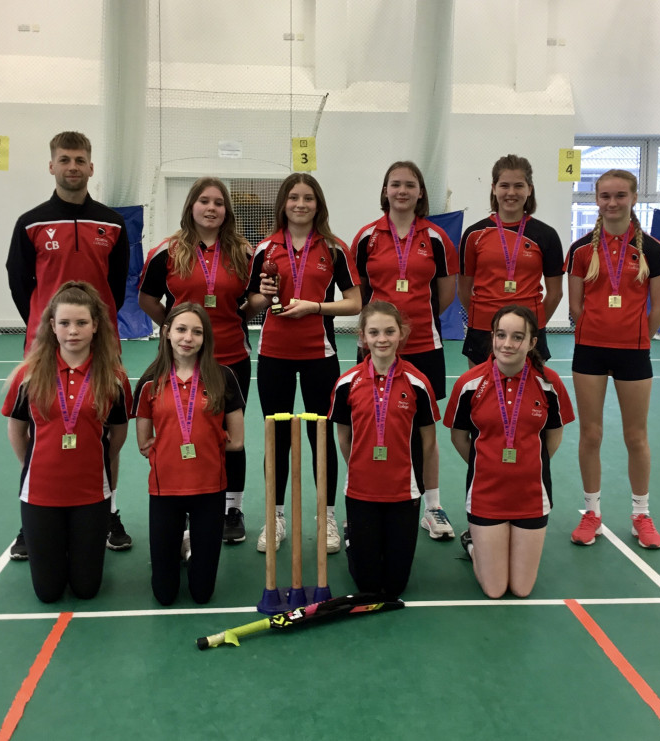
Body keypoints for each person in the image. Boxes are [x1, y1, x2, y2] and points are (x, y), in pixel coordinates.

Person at [5, 131, 133, 559]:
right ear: (52, 166)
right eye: (64, 159)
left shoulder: (113, 223)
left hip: (100, 347)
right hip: (47, 349)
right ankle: (31, 518)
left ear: (91, 167)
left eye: (80, 159)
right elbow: (20, 282)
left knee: (104, 433)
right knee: (40, 430)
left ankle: (108, 510)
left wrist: (95, 328)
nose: (72, 166)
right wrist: (49, 332)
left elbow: (116, 286)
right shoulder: (30, 222)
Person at [246, 173, 362, 554]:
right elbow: (248, 307)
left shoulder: (334, 248)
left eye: (308, 198)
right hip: (273, 355)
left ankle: (326, 515)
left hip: (319, 356)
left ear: (318, 204)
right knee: (276, 437)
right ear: (283, 203)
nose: (300, 204)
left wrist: (316, 307)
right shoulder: (265, 248)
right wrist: (263, 297)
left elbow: (354, 302)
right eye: (293, 197)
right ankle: (274, 515)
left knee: (320, 437)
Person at [137, 177, 254, 545]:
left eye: (219, 202)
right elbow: (147, 299)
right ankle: (184, 503)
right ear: (191, 207)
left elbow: (250, 303)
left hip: (231, 359)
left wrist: (247, 313)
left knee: (227, 436)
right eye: (204, 201)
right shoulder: (167, 251)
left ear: (226, 211)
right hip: (180, 362)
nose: (211, 208)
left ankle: (231, 507)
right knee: (181, 431)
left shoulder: (243, 252)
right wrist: (176, 332)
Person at [2, 282, 130, 603]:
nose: (73, 331)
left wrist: (104, 471)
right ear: (52, 327)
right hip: (41, 493)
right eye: (65, 323)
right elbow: (16, 431)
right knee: (48, 592)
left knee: (87, 589)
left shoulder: (113, 376)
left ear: (96, 326)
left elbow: (118, 433)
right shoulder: (27, 375)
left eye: (81, 323)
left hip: (91, 493)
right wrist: (31, 466)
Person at [350, 161, 457, 541]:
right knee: (375, 427)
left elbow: (446, 292)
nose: (402, 191)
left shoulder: (437, 238)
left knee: (422, 432)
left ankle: (431, 506)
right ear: (385, 190)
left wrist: (413, 324)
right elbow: (360, 292)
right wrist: (380, 331)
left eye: (409, 185)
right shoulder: (366, 238)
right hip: (378, 348)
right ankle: (366, 500)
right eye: (395, 184)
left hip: (425, 345)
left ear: (420, 192)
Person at [564, 169, 660, 549]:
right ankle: (591, 511)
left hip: (634, 354)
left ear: (634, 198)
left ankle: (641, 513)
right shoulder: (580, 250)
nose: (612, 202)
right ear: (596, 200)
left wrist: (639, 338)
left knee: (635, 436)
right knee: (591, 433)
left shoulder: (652, 250)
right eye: (605, 195)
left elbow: (658, 308)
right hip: (589, 352)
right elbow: (575, 307)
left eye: (620, 195)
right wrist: (598, 331)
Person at [443, 305, 574, 598]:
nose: (507, 344)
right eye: (501, 335)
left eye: (517, 337)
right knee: (495, 589)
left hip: (531, 495)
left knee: (521, 588)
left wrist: (532, 462)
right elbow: (458, 436)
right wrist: (484, 464)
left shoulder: (549, 383)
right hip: (486, 494)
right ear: (492, 337)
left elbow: (555, 432)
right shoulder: (469, 384)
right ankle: (473, 543)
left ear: (532, 342)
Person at [134, 303, 245, 605]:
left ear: (205, 338)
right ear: (167, 332)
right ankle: (180, 545)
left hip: (209, 489)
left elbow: (236, 441)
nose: (188, 337)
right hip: (164, 489)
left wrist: (209, 438)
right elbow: (144, 442)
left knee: (202, 594)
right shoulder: (149, 382)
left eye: (197, 332)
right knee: (164, 594)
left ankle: (191, 545)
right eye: (181, 329)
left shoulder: (223, 377)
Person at [329, 301, 440, 599]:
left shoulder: (418, 383)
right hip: (361, 490)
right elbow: (343, 436)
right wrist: (360, 467)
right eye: (374, 332)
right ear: (362, 336)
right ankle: (354, 537)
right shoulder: (346, 383)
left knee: (394, 587)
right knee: (367, 585)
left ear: (401, 334)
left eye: (389, 331)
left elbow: (428, 441)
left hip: (404, 492)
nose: (382, 339)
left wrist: (427, 494)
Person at [458, 154, 564, 367]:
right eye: (504, 185)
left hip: (527, 329)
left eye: (519, 186)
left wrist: (534, 323)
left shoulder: (546, 235)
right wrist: (482, 317)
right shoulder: (473, 234)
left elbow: (555, 293)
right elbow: (463, 289)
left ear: (529, 189)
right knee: (482, 393)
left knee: (528, 395)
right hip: (483, 329)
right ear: (494, 188)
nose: (511, 193)